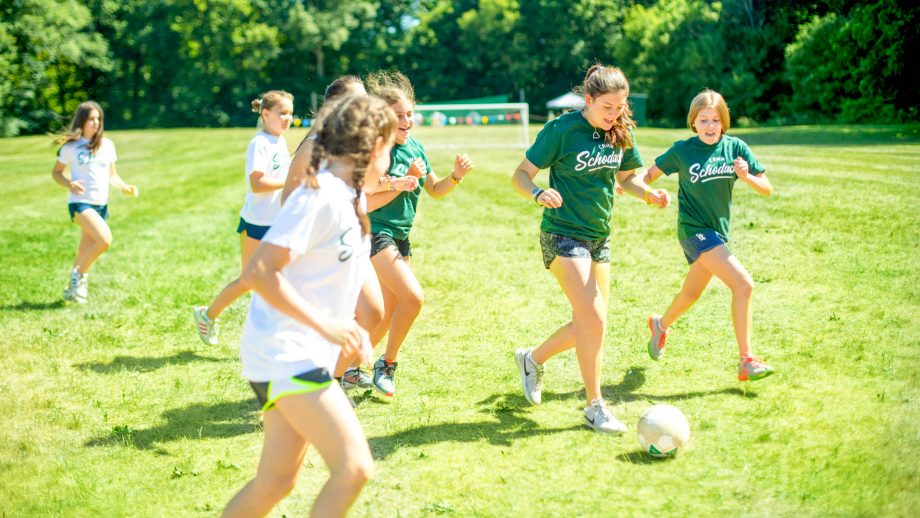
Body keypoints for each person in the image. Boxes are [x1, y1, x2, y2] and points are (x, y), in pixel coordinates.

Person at [221, 94, 396, 517]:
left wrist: (347, 334)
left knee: (276, 481)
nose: (390, 160)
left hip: (293, 353)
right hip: (285, 354)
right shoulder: (319, 196)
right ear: (372, 149)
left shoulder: (348, 198)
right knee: (354, 467)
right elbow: (261, 271)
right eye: (389, 149)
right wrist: (331, 327)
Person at [510, 64, 670, 434]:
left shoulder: (621, 130)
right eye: (607, 107)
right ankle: (594, 406)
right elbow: (520, 174)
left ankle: (532, 359)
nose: (614, 114)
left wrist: (649, 194)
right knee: (593, 319)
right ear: (589, 100)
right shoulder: (561, 130)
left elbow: (627, 179)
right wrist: (538, 193)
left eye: (620, 107)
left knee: (592, 322)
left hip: (600, 236)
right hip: (563, 234)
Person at [280, 75, 418, 392]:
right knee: (323, 321)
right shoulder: (314, 146)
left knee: (372, 312)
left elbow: (361, 184)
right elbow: (291, 200)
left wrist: (394, 184)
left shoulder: (353, 143)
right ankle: (313, 386)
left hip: (352, 242)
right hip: (321, 247)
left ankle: (331, 380)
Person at [642, 89, 775, 382]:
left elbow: (767, 188)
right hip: (693, 229)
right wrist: (644, 191)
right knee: (743, 285)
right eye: (703, 120)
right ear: (693, 122)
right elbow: (647, 176)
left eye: (715, 120)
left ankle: (660, 325)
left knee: (691, 294)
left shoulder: (736, 148)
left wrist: (747, 176)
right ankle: (746, 360)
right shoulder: (682, 150)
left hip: (718, 233)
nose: (710, 126)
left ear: (723, 122)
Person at [364, 70, 474, 397]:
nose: (407, 120)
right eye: (399, 115)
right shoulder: (378, 149)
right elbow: (365, 202)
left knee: (389, 310)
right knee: (412, 298)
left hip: (400, 236)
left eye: (410, 114)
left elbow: (436, 190)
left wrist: (455, 176)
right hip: (374, 232)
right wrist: (401, 183)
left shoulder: (416, 148)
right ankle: (387, 364)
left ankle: (348, 365)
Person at [194, 90, 294, 345]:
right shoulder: (259, 143)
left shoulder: (280, 142)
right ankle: (207, 315)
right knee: (249, 279)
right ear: (265, 113)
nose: (287, 118)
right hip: (256, 223)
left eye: (290, 114)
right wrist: (289, 182)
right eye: (282, 113)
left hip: (277, 222)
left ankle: (273, 334)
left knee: (280, 277)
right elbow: (257, 184)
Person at [51, 101, 138, 304]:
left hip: (101, 204)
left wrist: (124, 187)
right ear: (82, 120)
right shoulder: (71, 147)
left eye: (98, 119)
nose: (96, 123)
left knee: (84, 251)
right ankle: (80, 277)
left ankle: (72, 289)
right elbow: (56, 173)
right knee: (104, 239)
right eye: (91, 119)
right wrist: (69, 183)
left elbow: (112, 176)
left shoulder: (107, 146)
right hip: (80, 203)